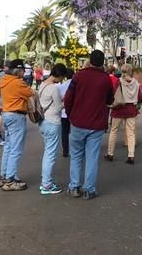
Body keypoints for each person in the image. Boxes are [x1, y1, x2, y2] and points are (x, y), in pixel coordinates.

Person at [63, 50, 114, 200]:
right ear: (102, 62)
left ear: (90, 61)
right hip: (97, 124)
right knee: (92, 157)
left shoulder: (79, 76)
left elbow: (68, 98)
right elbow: (110, 100)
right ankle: (89, 189)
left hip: (78, 122)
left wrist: (71, 114)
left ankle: (74, 187)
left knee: (76, 155)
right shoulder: (106, 79)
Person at [0, 59, 35, 191]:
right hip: (16, 116)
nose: (24, 72)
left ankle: (4, 176)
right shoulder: (18, 83)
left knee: (8, 147)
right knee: (16, 149)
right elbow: (32, 93)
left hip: (6, 114)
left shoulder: (4, 80)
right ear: (18, 71)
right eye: (23, 70)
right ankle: (10, 179)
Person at [37, 63, 67, 195]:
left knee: (47, 152)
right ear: (59, 75)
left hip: (43, 122)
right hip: (53, 122)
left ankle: (45, 180)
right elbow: (59, 107)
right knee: (50, 154)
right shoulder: (54, 89)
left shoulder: (42, 85)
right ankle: (47, 184)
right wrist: (64, 102)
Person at [105, 64, 142, 165]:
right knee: (130, 133)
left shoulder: (119, 81)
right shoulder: (136, 83)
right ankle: (131, 155)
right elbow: (139, 97)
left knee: (114, 131)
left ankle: (110, 153)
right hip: (131, 109)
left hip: (119, 108)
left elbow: (113, 93)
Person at [58, 67, 75, 157]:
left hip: (64, 112)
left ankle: (65, 150)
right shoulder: (76, 85)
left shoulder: (61, 86)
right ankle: (74, 150)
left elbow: (59, 99)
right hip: (74, 112)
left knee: (64, 132)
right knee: (74, 132)